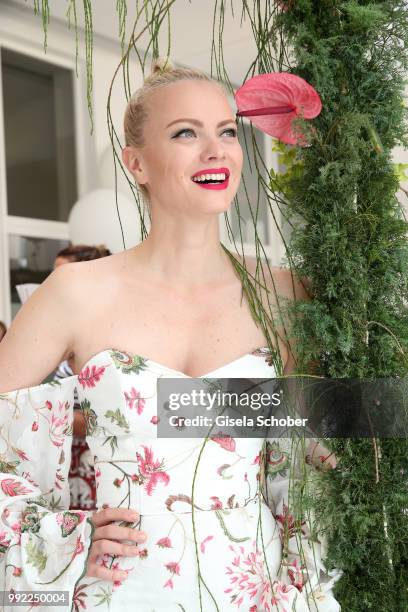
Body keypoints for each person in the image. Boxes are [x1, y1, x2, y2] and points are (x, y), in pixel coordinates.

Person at [0, 59, 340, 610]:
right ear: (137, 163)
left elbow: (318, 448)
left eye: (227, 131)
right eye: (186, 132)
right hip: (121, 590)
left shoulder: (285, 295)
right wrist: (64, 535)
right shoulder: (74, 293)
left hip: (254, 591)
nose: (216, 150)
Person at [52, 244, 112, 512]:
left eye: (61, 275)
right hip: (70, 459)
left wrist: (56, 416)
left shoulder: (107, 333)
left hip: (99, 460)